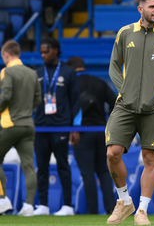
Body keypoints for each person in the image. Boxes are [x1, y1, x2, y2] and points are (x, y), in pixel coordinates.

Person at [105, 0, 154, 225]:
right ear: (141, 9)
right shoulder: (125, 33)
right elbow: (114, 67)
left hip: (153, 108)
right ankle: (124, 201)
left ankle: (142, 211)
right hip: (124, 106)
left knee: (150, 159)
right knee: (112, 153)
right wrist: (123, 89)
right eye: (152, 7)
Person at [33, 38, 81, 216]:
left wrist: (75, 128)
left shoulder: (68, 72)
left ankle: (68, 205)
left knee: (63, 166)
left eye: (46, 51)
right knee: (42, 168)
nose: (42, 55)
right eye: (41, 52)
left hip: (61, 126)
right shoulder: (37, 72)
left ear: (55, 50)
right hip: (41, 127)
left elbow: (76, 102)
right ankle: (43, 205)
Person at [66, 56, 117, 214]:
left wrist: (72, 129)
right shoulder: (99, 82)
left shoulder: (71, 85)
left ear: (70, 69)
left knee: (87, 173)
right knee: (103, 171)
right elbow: (115, 101)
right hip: (102, 131)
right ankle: (110, 208)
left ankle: (92, 211)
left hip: (81, 133)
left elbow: (67, 109)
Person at [0, 40, 41, 216]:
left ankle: (3, 199)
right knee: (29, 166)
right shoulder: (32, 73)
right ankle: (29, 206)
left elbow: (6, 95)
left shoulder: (6, 71)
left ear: (6, 55)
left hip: (9, 124)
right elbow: (38, 99)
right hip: (28, 125)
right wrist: (25, 110)